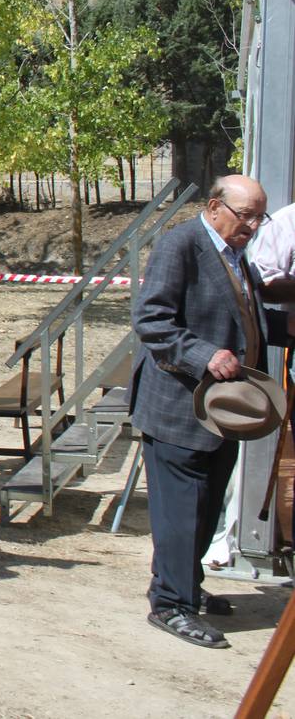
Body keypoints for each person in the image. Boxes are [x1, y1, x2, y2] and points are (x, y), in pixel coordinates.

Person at [132, 175, 295, 649]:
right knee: (181, 512)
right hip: (179, 407)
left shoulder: (234, 255)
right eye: (245, 215)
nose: (253, 226)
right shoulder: (180, 245)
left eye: (259, 217)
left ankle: (187, 588)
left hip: (221, 412)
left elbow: (249, 320)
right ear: (215, 206)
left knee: (205, 509)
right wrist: (204, 355)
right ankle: (170, 605)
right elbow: (151, 319)